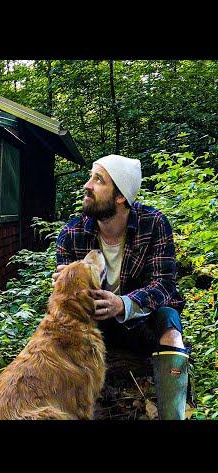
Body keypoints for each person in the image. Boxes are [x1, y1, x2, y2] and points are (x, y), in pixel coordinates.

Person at [53, 154, 190, 420]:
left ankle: (174, 411)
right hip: (96, 323)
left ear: (120, 197)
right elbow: (70, 299)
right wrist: (67, 284)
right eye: (91, 177)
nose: (87, 185)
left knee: (171, 325)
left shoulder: (154, 224)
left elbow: (164, 285)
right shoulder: (72, 234)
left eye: (98, 180)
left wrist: (123, 303)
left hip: (142, 320)